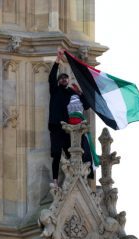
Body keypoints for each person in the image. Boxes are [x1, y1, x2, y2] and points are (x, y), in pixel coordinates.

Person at [48, 49, 90, 186]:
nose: (64, 79)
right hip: (56, 126)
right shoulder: (55, 90)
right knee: (56, 154)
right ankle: (55, 181)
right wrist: (57, 60)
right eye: (62, 78)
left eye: (66, 78)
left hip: (69, 128)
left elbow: (86, 105)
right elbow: (51, 77)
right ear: (59, 81)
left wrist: (80, 93)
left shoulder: (72, 92)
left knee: (71, 153)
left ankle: (75, 180)